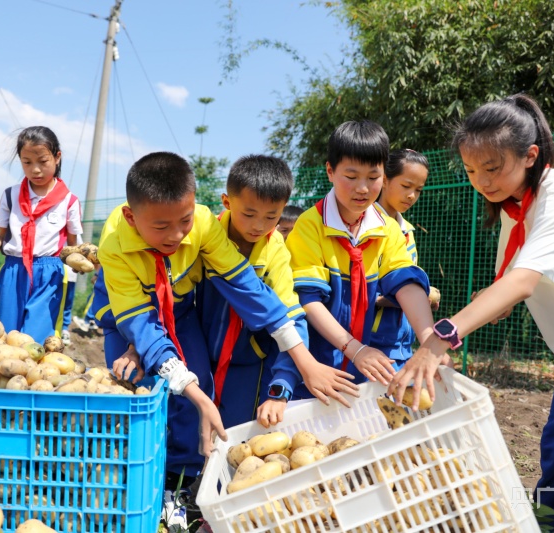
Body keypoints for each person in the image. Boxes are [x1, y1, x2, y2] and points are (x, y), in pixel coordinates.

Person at [388, 94, 554, 531]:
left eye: (493, 168)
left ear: (530, 156)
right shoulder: (515, 209)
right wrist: (458, 326)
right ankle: (550, 523)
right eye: (471, 171)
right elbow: (503, 296)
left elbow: (520, 282)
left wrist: (440, 339)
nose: (482, 181)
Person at [91, 152, 357, 487]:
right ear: (131, 218)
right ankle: (130, 481)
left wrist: (303, 360)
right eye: (161, 227)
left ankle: (181, 484)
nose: (176, 236)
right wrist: (136, 344)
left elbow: (249, 290)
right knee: (138, 390)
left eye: (184, 222)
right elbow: (138, 318)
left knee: (193, 387)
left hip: (180, 311)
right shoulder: (114, 245)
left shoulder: (204, 224)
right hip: (124, 318)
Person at [197, 154, 355, 429]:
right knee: (188, 431)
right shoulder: (205, 234)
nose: (259, 225)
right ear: (226, 202)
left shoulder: (277, 252)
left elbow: (292, 317)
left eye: (272, 216)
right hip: (196, 354)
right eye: (248, 214)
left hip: (248, 365)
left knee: (236, 434)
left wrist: (281, 385)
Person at [286, 120, 435, 389]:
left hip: (364, 359)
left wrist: (430, 341)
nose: (363, 188)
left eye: (373, 177)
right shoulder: (309, 226)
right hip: (317, 363)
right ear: (330, 171)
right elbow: (308, 299)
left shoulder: (387, 228)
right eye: (352, 177)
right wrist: (354, 348)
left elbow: (406, 284)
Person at [0, 126, 81, 343]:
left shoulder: (69, 201)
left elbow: (73, 248)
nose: (35, 169)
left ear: (57, 158)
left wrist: (81, 261)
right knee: (6, 337)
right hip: (13, 270)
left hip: (50, 274)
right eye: (27, 162)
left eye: (43, 161)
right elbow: (0, 241)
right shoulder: (10, 196)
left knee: (36, 340)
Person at [370, 149, 439, 369]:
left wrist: (421, 297)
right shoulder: (367, 227)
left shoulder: (407, 231)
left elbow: (405, 285)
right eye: (406, 186)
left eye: (418, 190)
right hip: (371, 344)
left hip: (402, 344)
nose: (412, 196)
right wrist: (417, 296)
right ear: (384, 180)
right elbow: (358, 292)